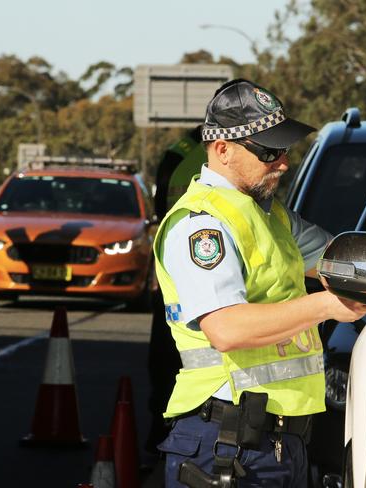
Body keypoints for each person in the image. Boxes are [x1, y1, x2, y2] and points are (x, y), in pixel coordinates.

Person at [152, 79, 366, 486]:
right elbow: (226, 329)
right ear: (223, 150)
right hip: (226, 443)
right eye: (269, 151)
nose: (284, 162)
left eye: (285, 149)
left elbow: (348, 261)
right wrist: (327, 306)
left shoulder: (272, 216)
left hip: (276, 443)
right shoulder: (201, 226)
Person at [146, 125, 206, 454]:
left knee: (166, 357)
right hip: (223, 270)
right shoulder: (241, 152)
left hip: (172, 269)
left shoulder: (178, 151)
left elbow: (159, 207)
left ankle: (158, 433)